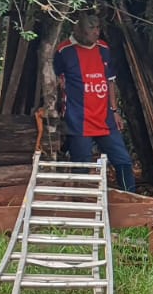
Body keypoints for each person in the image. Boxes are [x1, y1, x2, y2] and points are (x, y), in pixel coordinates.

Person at [53, 14, 135, 192]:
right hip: (78, 120)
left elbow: (110, 81)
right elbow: (56, 83)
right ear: (79, 29)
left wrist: (114, 110)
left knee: (123, 161)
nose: (97, 32)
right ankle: (79, 204)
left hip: (105, 118)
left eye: (98, 27)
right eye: (92, 28)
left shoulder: (103, 48)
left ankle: (130, 198)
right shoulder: (64, 51)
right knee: (81, 165)